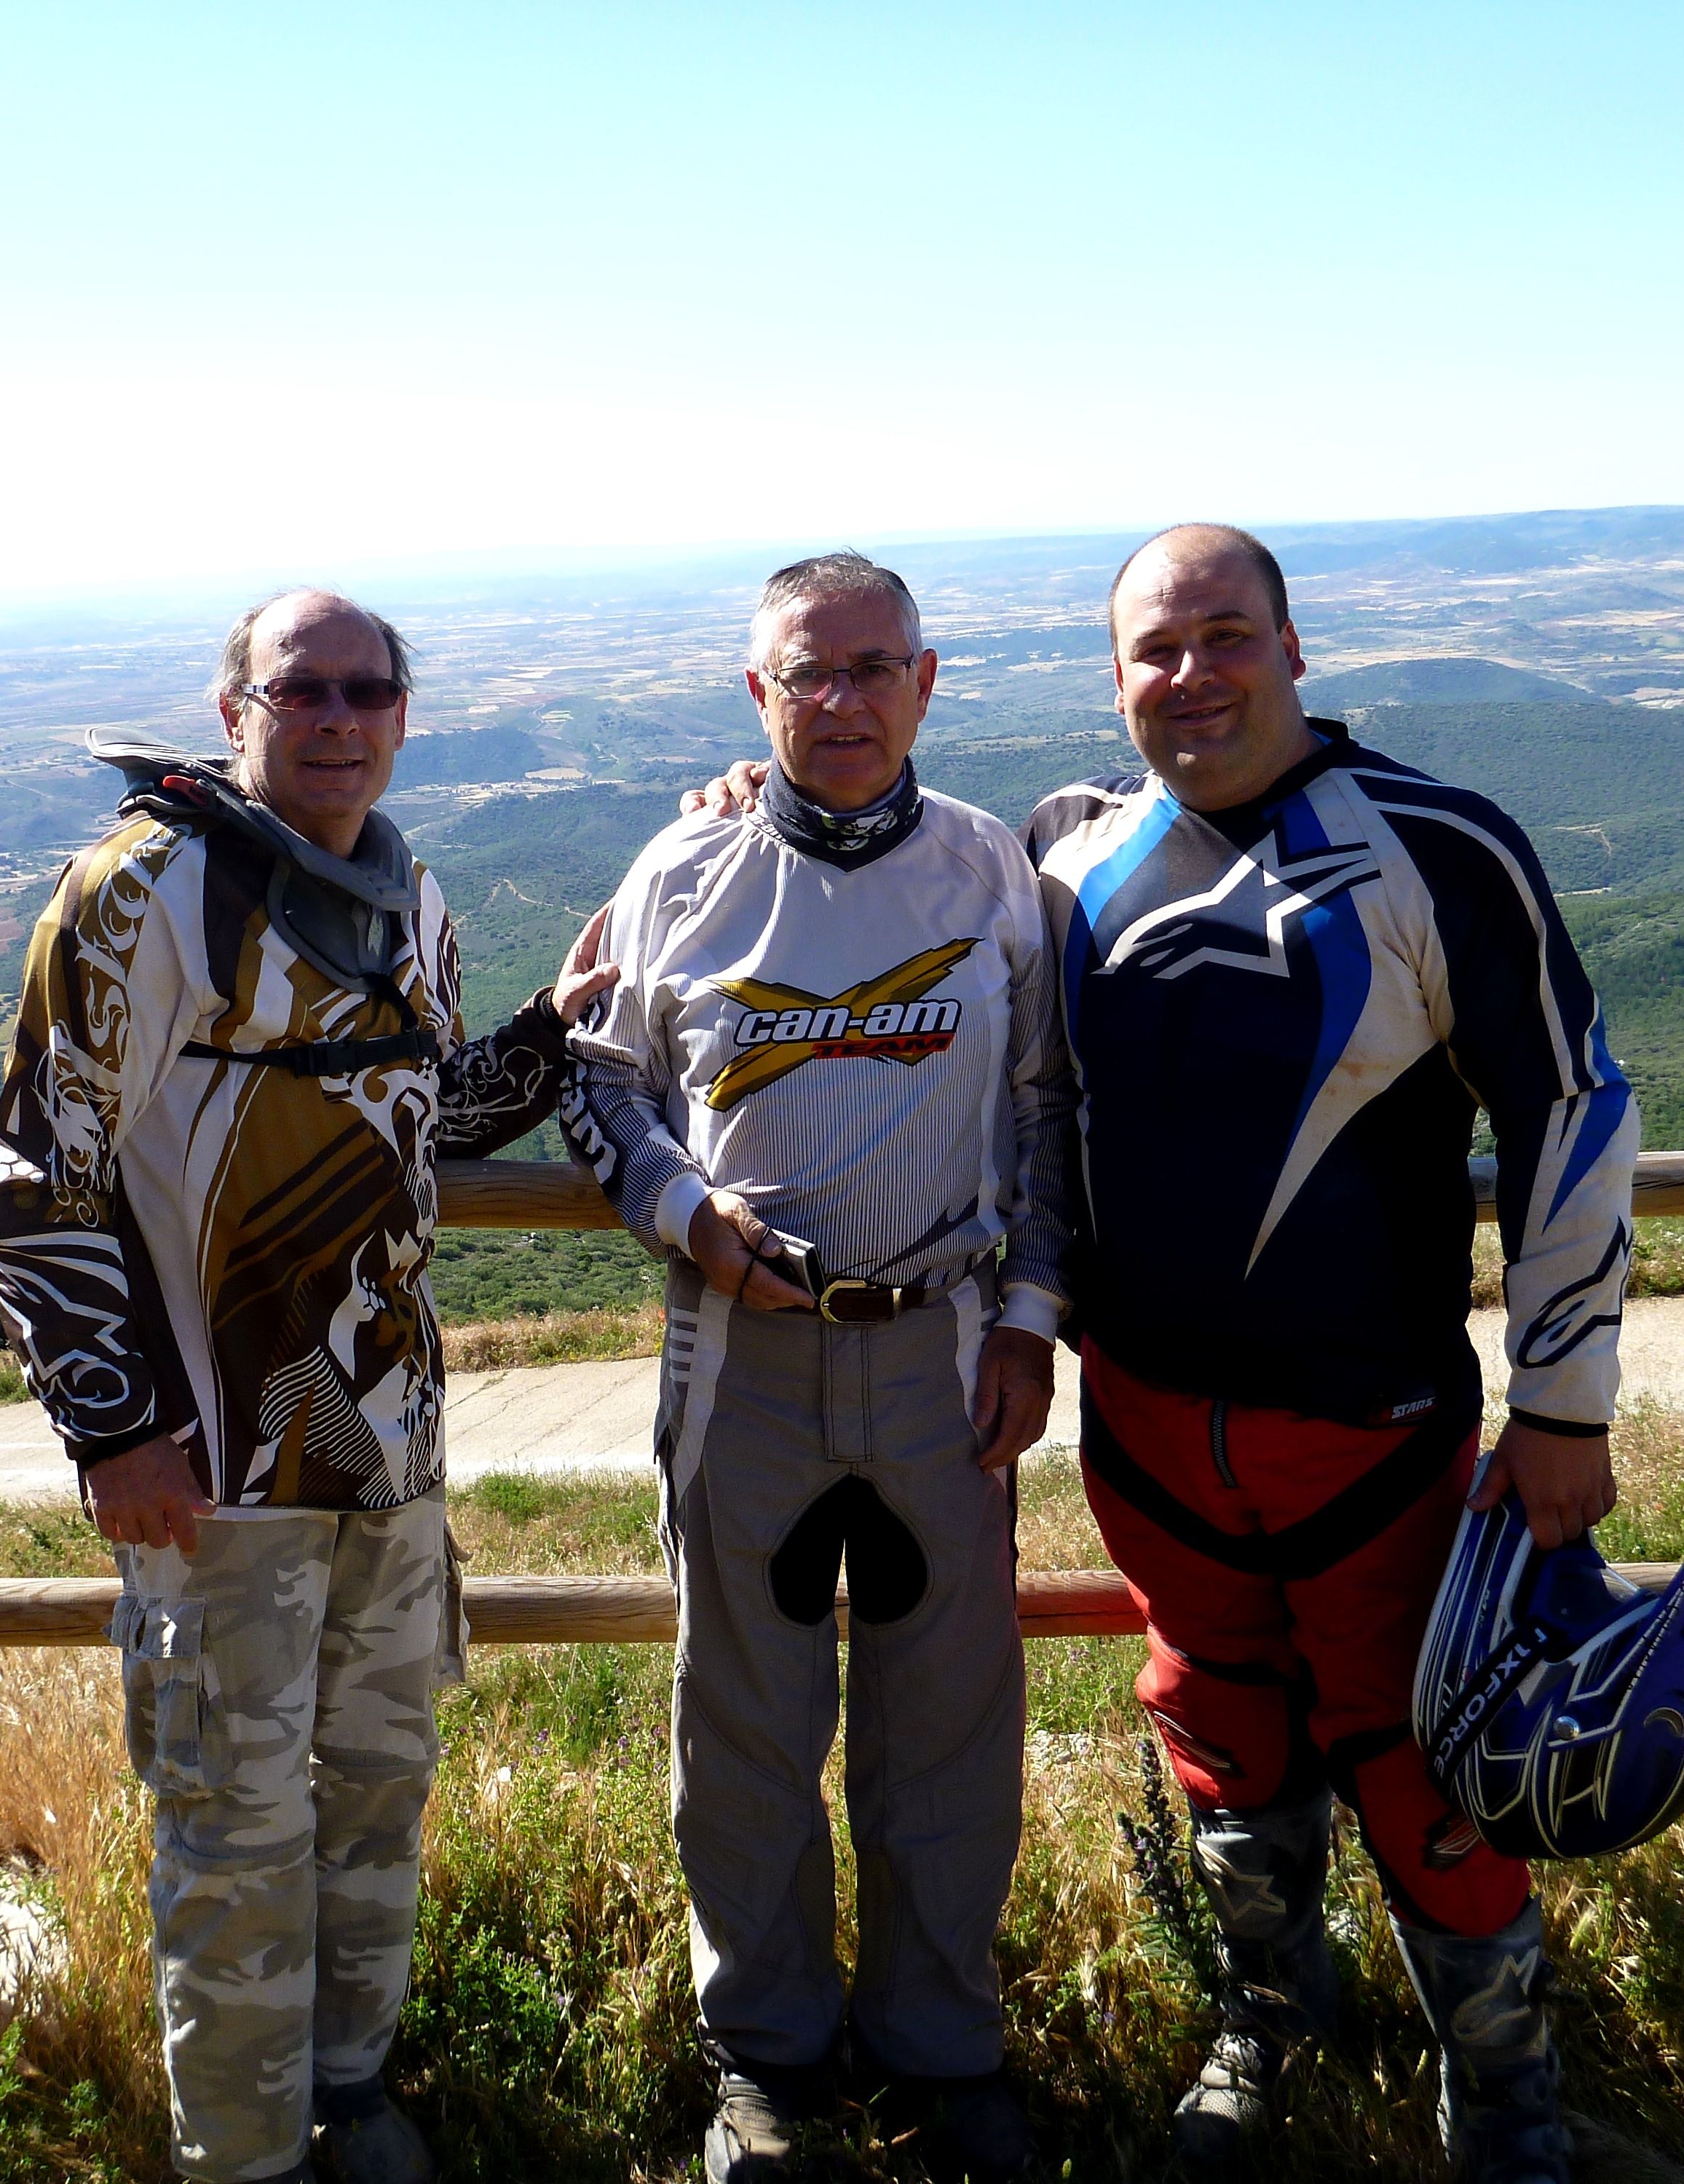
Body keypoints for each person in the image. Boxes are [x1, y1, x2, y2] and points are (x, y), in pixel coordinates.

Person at [692, 525, 1632, 2184]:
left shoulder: (1435, 846)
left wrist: (1565, 1398)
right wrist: (741, 818)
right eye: (1154, 649)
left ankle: (1504, 2095)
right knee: (1216, 1731)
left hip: (1371, 1418)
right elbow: (911, 899)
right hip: (1141, 1422)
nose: (1189, 676)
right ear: (1111, 676)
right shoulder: (1065, 857)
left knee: (1418, 1756)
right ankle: (1268, 2021)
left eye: (1223, 637)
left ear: (1289, 645)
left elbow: (1568, 1103)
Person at [0, 586, 614, 2184]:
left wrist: (546, 1033)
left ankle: (351, 2087)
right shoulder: (139, 891)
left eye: (365, 690)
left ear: (401, 711)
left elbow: (414, 1124)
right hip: (211, 1472)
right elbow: (33, 1173)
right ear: (232, 712)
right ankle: (242, 2153)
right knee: (234, 1825)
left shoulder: (415, 898)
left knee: (380, 1790)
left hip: (386, 1454)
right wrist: (114, 1425)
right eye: (299, 690)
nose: (335, 719)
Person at [559, 552, 1075, 2183]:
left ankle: (941, 2045)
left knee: (949, 1726)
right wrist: (677, 1212)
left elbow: (1055, 1109)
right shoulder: (682, 870)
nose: (841, 700)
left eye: (873, 668)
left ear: (929, 680)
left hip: (941, 1353)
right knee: (744, 1726)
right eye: (808, 673)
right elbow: (598, 1086)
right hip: (744, 1362)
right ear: (757, 692)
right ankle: (765, 2061)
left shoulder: (994, 870)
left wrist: (1031, 1321)